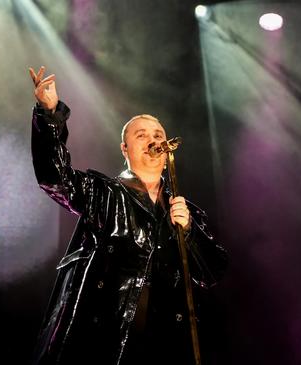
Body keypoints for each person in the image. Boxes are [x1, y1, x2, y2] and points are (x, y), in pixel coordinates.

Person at [29, 66, 228, 365]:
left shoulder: (183, 212)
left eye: (158, 134)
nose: (153, 139)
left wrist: (188, 231)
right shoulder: (104, 193)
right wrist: (49, 115)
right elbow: (56, 179)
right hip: (103, 344)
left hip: (163, 348)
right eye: (141, 134)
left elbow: (214, 271)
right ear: (125, 148)